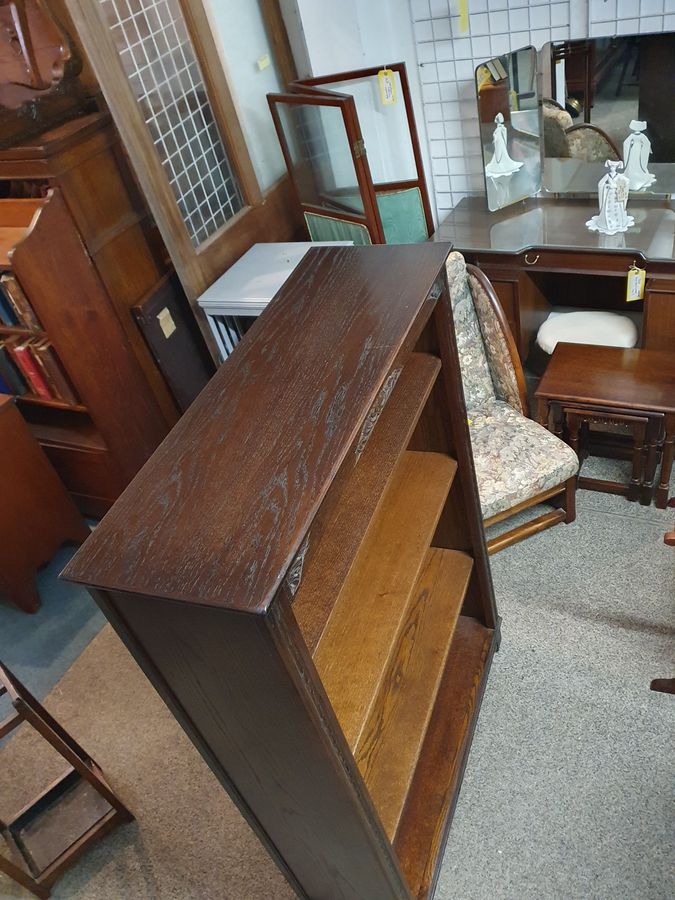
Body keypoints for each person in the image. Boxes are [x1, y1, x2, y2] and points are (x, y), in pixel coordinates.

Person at [485, 112, 523, 177]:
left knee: (500, 153)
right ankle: (499, 162)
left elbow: (500, 137)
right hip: (499, 143)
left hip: (500, 143)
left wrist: (496, 138)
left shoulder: (501, 129)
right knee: (498, 154)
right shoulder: (501, 129)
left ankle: (500, 162)